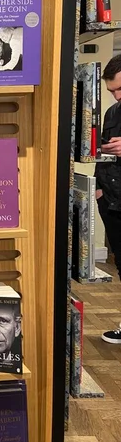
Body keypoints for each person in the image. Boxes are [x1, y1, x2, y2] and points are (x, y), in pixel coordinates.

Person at [95, 55, 121, 343]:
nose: (116, 96)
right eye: (112, 90)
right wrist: (99, 191)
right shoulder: (112, 113)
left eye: (120, 89)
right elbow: (102, 150)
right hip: (112, 202)